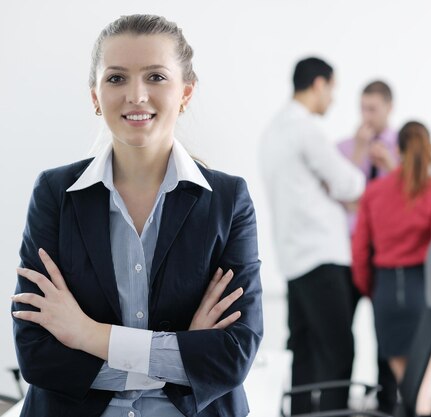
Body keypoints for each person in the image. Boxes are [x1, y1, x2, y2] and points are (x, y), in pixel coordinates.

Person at [11, 14, 262, 417]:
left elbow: (231, 357)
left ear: (186, 92)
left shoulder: (227, 199)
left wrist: (88, 335)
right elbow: (38, 355)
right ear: (95, 96)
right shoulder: (54, 194)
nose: (136, 95)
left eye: (156, 77)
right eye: (116, 78)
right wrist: (181, 355)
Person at [259, 57, 365, 414]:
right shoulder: (306, 130)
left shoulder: (273, 131)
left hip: (292, 257)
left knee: (302, 350)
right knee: (339, 351)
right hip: (322, 255)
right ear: (319, 84)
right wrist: (341, 189)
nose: (332, 99)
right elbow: (350, 183)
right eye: (332, 90)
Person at [352, 121, 431, 415]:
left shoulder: (374, 192)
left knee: (407, 390)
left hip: (387, 292)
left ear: (395, 149)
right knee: (422, 389)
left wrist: (369, 289)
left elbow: (360, 252)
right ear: (430, 149)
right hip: (427, 292)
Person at [337, 80, 399, 413]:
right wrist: (360, 154)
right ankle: (342, 397)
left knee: (387, 331)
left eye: (373, 109)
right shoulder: (346, 148)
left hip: (387, 256)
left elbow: (410, 197)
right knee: (341, 330)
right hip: (349, 254)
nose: (367, 116)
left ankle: (387, 401)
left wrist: (390, 165)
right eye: (363, 108)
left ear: (389, 108)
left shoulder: (404, 147)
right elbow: (345, 197)